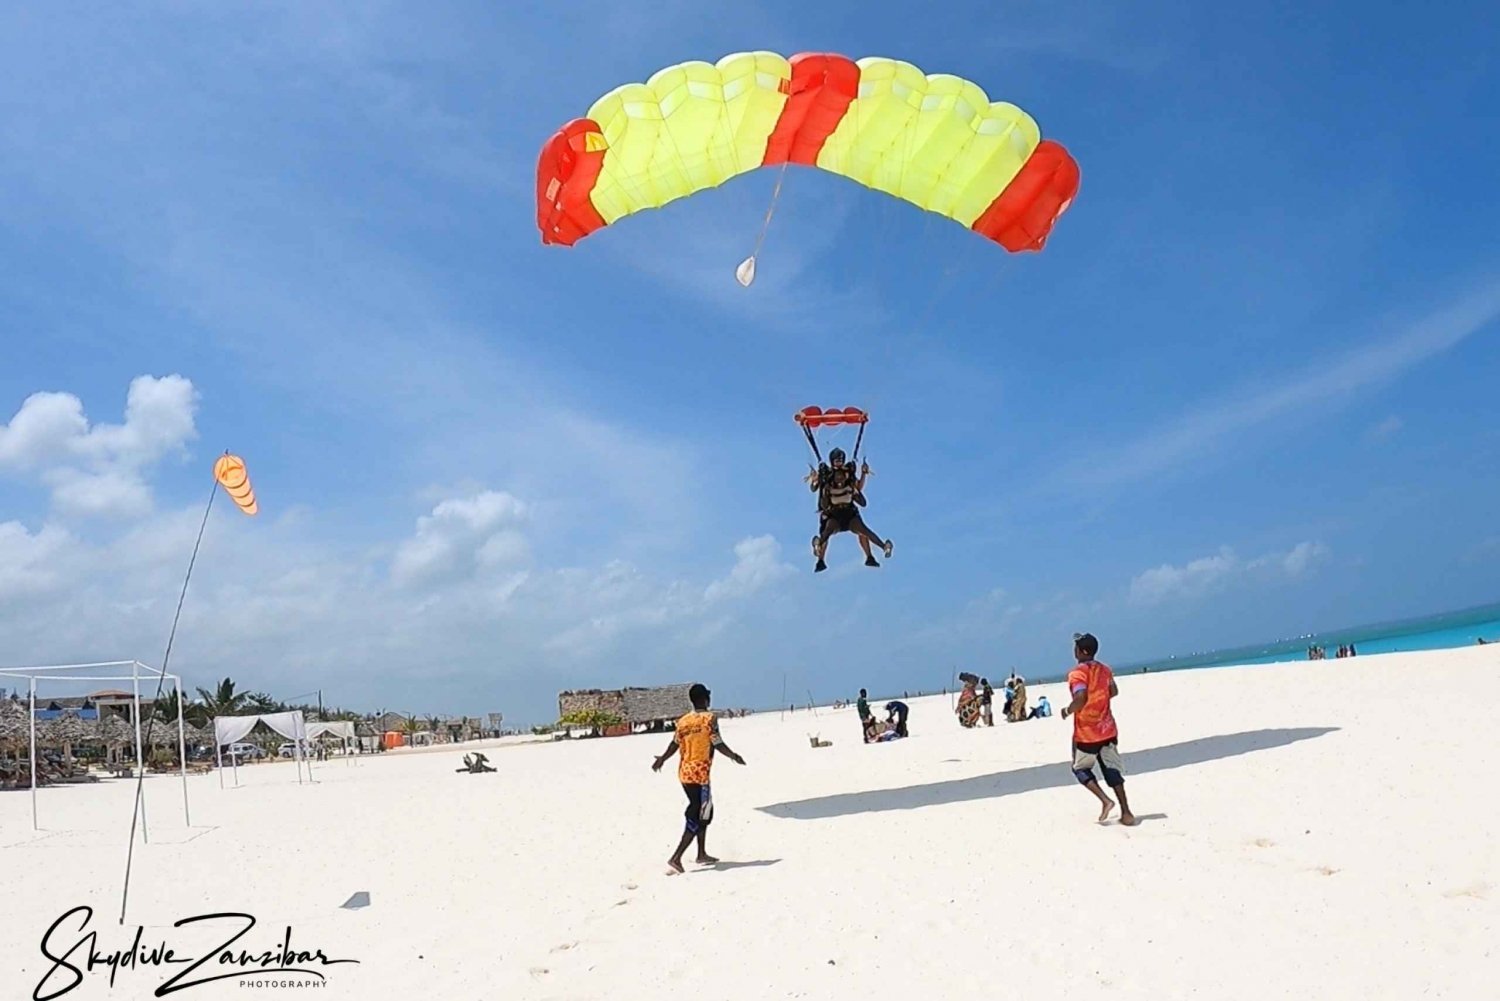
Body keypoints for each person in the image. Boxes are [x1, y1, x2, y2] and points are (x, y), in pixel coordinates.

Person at [651, 683, 746, 874]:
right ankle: (676, 858)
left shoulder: (683, 721)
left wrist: (662, 759)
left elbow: (674, 744)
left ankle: (701, 853)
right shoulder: (709, 718)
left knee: (702, 810)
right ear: (705, 699)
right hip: (701, 773)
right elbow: (717, 742)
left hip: (684, 772)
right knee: (701, 813)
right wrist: (734, 756)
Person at [1061, 633, 1137, 826]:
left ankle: (1105, 800)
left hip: (1087, 733)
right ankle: (1126, 812)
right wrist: (1100, 702)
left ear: (1082, 651)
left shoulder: (1077, 673)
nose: (1074, 651)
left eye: (1076, 648)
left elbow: (1080, 697)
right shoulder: (1105, 669)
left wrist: (1068, 710)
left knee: (1080, 768)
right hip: (1108, 729)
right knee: (1111, 769)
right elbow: (1113, 691)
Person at [806, 447, 893, 572]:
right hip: (833, 513)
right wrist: (814, 480)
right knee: (827, 531)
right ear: (832, 461)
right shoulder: (826, 476)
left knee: (863, 530)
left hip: (849, 512)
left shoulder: (849, 474)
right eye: (837, 460)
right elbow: (814, 487)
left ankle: (880, 549)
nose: (839, 463)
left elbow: (858, 489)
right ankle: (819, 555)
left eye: (840, 460)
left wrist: (863, 474)